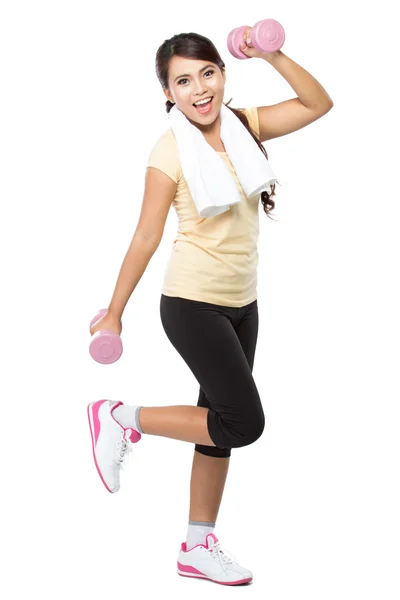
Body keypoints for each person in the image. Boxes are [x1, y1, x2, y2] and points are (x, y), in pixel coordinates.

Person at [87, 31, 333, 586]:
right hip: (192, 304)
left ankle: (198, 544)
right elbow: (148, 233)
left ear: (223, 73)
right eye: (183, 80)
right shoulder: (168, 149)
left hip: (243, 303)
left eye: (207, 74)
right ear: (168, 93)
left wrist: (271, 53)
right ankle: (120, 417)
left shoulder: (246, 124)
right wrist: (113, 312)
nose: (199, 89)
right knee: (241, 423)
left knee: (214, 428)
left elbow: (318, 104)